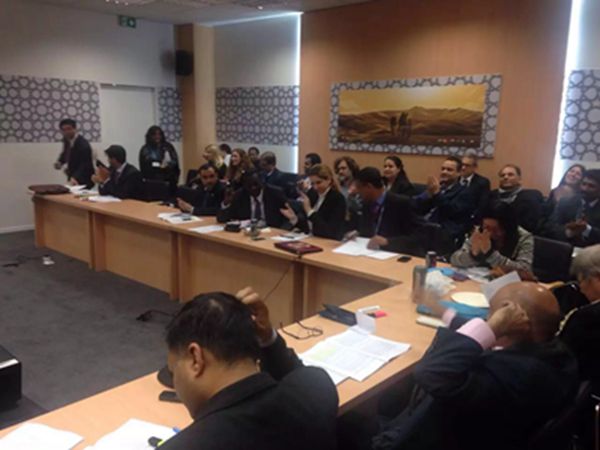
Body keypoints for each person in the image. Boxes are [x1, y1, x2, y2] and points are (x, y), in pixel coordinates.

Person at [371, 282, 578, 450]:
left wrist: (492, 328)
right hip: (488, 432)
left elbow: (430, 372)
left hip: (433, 440)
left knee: (361, 415)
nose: (487, 320)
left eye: (491, 315)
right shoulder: (556, 354)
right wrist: (442, 311)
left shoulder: (512, 375)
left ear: (512, 322)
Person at [160, 287, 338, 450]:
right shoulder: (316, 389)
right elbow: (297, 375)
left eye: (173, 371)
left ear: (195, 359)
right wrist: (268, 339)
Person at [349, 167, 424, 254]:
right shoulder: (367, 204)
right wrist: (358, 234)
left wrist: (388, 241)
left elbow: (418, 238)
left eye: (359, 188)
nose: (357, 192)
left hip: (396, 255)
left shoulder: (401, 204)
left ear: (369, 186)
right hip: (370, 254)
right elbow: (369, 232)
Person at [450, 202, 534, 273]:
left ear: (508, 227)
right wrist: (473, 255)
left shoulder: (524, 237)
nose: (490, 233)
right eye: (487, 227)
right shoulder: (480, 231)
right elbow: (454, 259)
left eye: (496, 229)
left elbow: (525, 270)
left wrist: (490, 254)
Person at [558, 244, 600, 384]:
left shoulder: (586, 318)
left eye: (581, 281)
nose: (581, 289)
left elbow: (561, 356)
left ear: (597, 278)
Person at [413, 156, 475, 246]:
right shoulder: (439, 187)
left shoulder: (465, 192)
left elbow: (450, 211)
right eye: (443, 169)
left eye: (449, 170)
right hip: (424, 227)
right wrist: (428, 195)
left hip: (444, 233)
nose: (444, 172)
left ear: (459, 173)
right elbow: (416, 206)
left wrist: (437, 194)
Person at [217, 170, 295, 229]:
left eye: (256, 184)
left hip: (270, 232)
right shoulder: (240, 195)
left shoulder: (275, 194)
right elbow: (222, 219)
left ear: (262, 182)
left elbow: (288, 218)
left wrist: (280, 231)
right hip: (247, 235)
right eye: (249, 185)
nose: (253, 188)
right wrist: (226, 203)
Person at [287, 164, 346, 240]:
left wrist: (309, 211)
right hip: (310, 238)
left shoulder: (338, 199)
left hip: (327, 241)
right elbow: (308, 226)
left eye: (318, 182)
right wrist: (294, 219)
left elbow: (330, 231)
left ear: (329, 180)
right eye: (312, 184)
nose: (315, 187)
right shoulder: (312, 194)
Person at [543, 169, 600, 247]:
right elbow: (549, 228)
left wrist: (587, 230)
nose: (585, 188)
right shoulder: (566, 202)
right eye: (583, 184)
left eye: (591, 186)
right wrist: (568, 232)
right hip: (564, 248)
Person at [489, 164, 544, 233]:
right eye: (502, 175)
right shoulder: (491, 195)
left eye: (510, 175)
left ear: (519, 178)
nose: (505, 177)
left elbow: (530, 225)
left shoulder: (530, 197)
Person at [53, 118, 94, 187]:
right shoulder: (66, 140)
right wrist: (60, 162)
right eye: (64, 130)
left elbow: (85, 164)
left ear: (75, 129)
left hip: (84, 178)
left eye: (69, 129)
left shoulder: (83, 144)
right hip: (72, 174)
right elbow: (65, 152)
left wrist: (75, 177)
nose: (66, 132)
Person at [138, 125, 180, 192]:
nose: (157, 137)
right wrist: (160, 165)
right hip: (152, 181)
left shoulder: (168, 146)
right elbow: (148, 164)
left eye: (159, 134)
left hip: (169, 180)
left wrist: (168, 165)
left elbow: (175, 161)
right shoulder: (145, 149)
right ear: (150, 136)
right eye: (154, 135)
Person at [459, 153, 490, 221]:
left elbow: (482, 205)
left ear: (474, 167)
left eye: (467, 165)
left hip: (472, 219)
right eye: (462, 165)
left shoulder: (482, 182)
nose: (463, 168)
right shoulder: (455, 180)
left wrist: (472, 217)